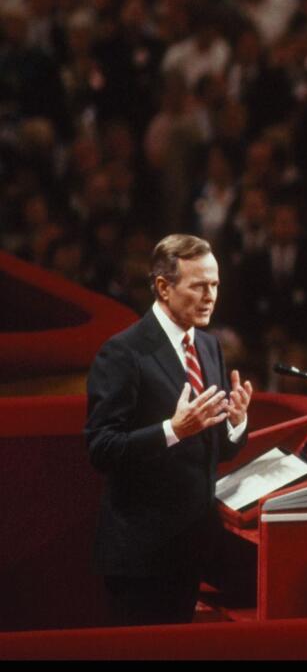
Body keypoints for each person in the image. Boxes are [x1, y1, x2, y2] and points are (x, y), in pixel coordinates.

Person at [84, 234, 253, 625]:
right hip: (142, 558)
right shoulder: (123, 352)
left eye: (215, 285)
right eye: (199, 286)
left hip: (194, 550)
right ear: (163, 287)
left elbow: (213, 451)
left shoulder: (209, 346)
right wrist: (172, 429)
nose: (210, 296)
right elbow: (101, 447)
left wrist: (236, 422)